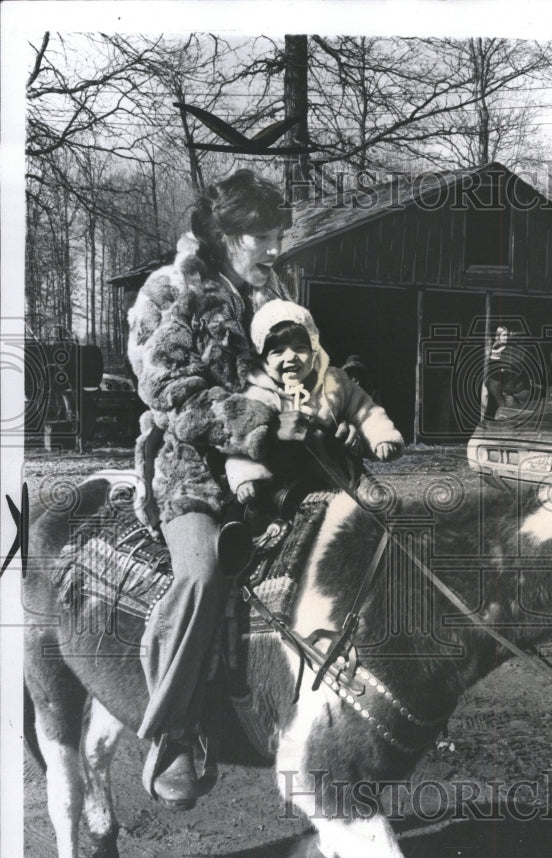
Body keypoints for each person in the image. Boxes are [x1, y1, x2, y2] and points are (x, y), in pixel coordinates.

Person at [127, 168, 310, 809]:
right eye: (262, 236)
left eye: (278, 235)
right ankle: (172, 731)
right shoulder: (183, 296)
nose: (275, 248)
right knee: (205, 572)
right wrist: (250, 420)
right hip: (193, 472)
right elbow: (165, 386)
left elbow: (302, 363)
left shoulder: (274, 294)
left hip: (277, 461)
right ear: (227, 236)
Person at [224, 301, 403, 505]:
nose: (291, 357)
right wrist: (246, 479)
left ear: (313, 351)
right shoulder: (257, 395)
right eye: (278, 351)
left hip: (338, 476)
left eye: (300, 348)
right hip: (284, 484)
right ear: (263, 359)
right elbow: (242, 442)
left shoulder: (332, 382)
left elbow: (364, 409)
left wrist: (381, 438)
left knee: (381, 507)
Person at [482, 325, 536, 419]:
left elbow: (521, 367)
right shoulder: (494, 350)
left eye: (507, 335)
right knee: (508, 413)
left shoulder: (513, 350)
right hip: (504, 389)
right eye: (503, 335)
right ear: (497, 336)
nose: (506, 337)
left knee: (514, 414)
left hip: (518, 388)